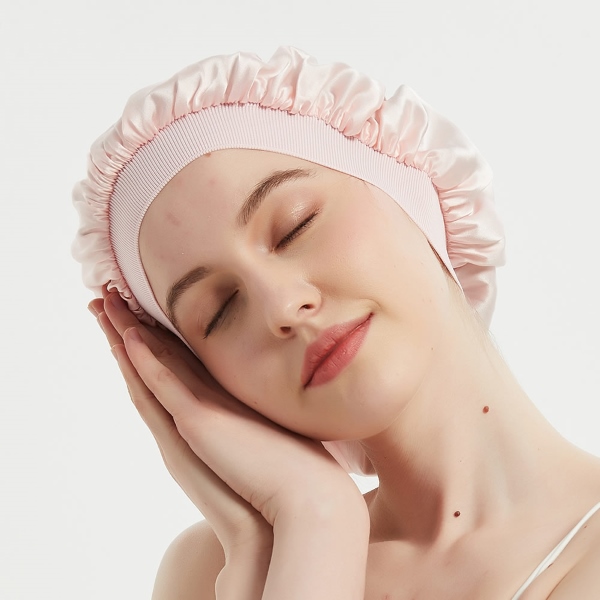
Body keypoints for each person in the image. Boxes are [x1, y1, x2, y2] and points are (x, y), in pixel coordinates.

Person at [73, 47, 600, 599]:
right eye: (220, 311)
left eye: (295, 226)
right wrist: (316, 522)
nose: (282, 306)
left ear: (410, 185)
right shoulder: (210, 571)